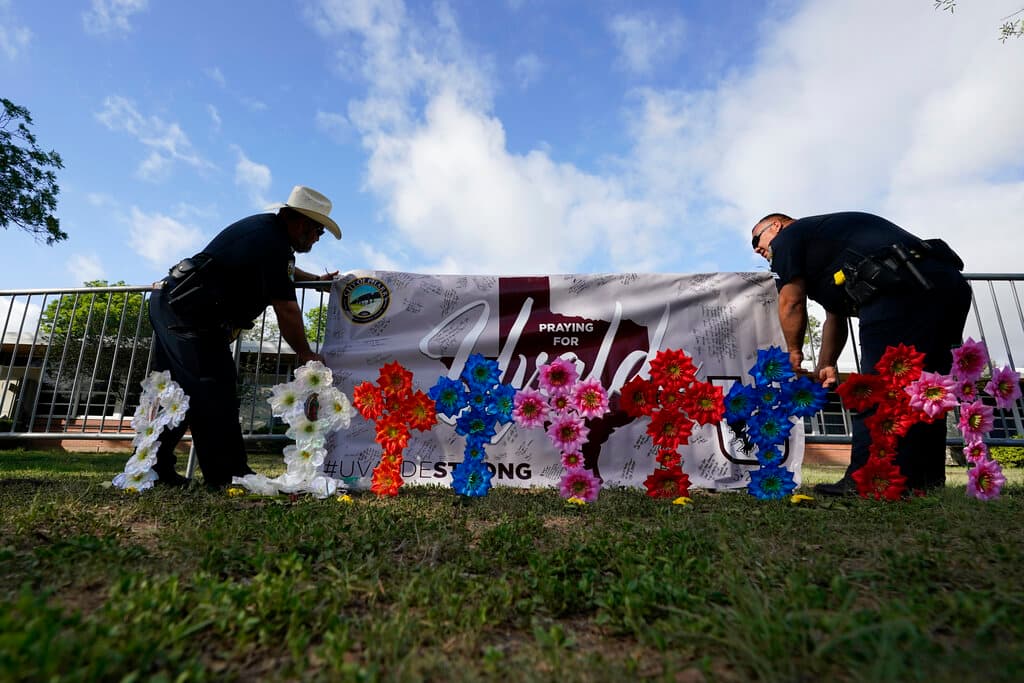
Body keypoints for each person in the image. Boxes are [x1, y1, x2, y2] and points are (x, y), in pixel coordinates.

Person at [751, 211, 971, 495]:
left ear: (776, 226)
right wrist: (826, 363)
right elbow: (835, 316)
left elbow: (791, 301)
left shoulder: (789, 238)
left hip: (898, 287)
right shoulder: (823, 245)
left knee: (875, 388)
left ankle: (865, 481)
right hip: (943, 285)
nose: (757, 249)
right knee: (926, 388)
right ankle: (924, 479)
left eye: (757, 239)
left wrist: (793, 352)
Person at [148, 185, 341, 488]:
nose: (318, 238)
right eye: (318, 230)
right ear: (301, 223)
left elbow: (286, 271)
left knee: (178, 391)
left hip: (180, 306)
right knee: (214, 388)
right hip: (186, 311)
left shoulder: (270, 236)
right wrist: (305, 353)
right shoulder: (271, 241)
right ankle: (228, 476)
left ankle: (154, 470)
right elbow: (287, 309)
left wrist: (315, 280)